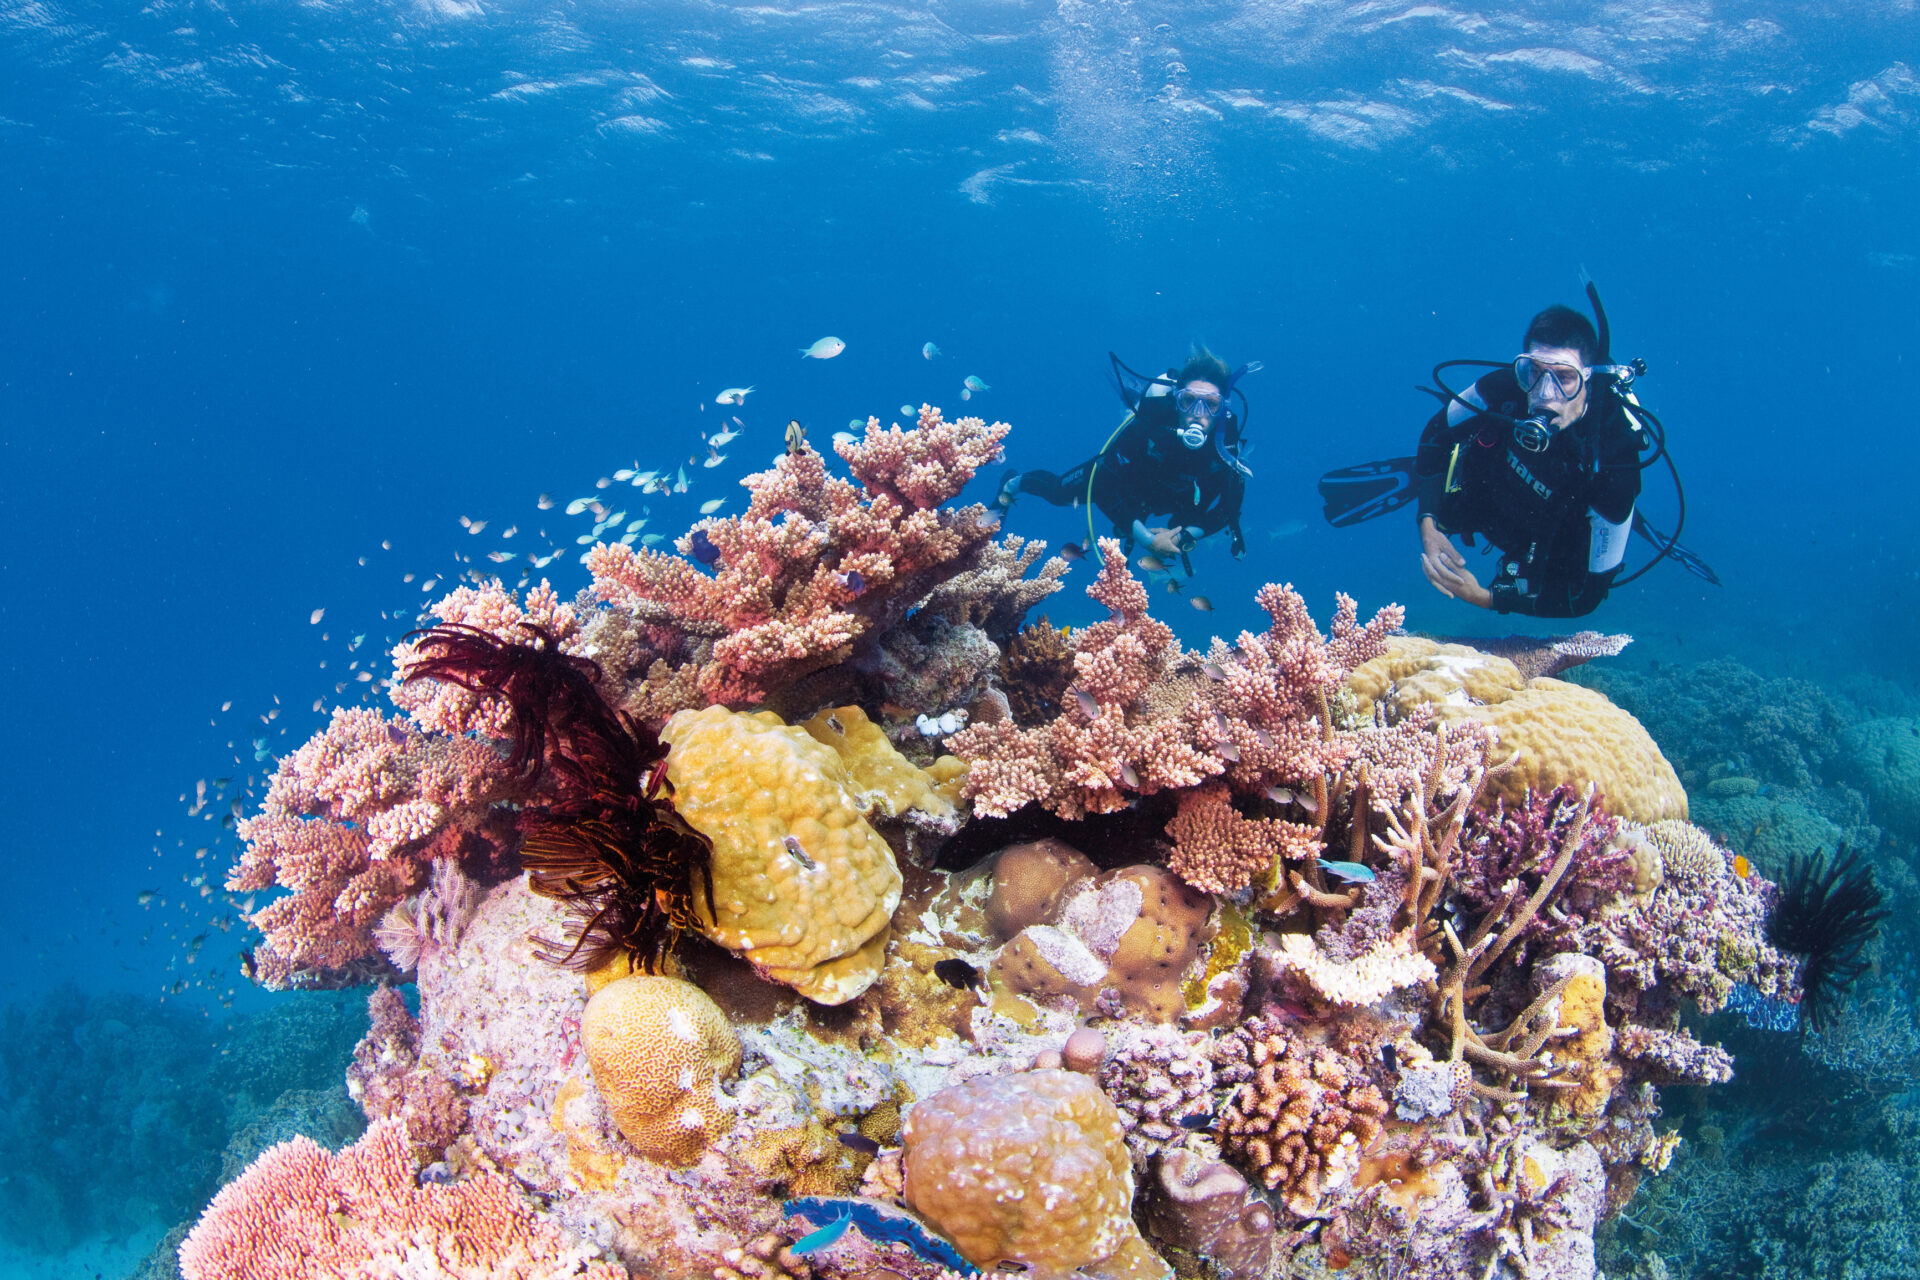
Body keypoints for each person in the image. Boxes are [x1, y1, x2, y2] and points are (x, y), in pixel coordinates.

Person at [1413, 305, 1643, 617]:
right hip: (1492, 502)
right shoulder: (1502, 389)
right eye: (1534, 372)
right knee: (1456, 454)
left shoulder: (1614, 461)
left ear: (1588, 380)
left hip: (1547, 543)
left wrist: (1485, 597)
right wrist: (1428, 522)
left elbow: (1586, 596)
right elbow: (1435, 433)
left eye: (1565, 377)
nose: (1546, 393)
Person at [995, 346, 1253, 562]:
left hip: (1180, 499)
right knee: (1060, 492)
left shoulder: (1226, 444)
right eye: (1188, 401)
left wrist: (1185, 536)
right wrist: (1148, 540)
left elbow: (1229, 508)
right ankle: (1011, 483)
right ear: (1176, 401)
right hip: (1132, 485)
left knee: (1187, 518)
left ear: (1222, 408)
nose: (1198, 412)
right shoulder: (1149, 426)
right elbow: (1104, 487)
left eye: (1211, 404)